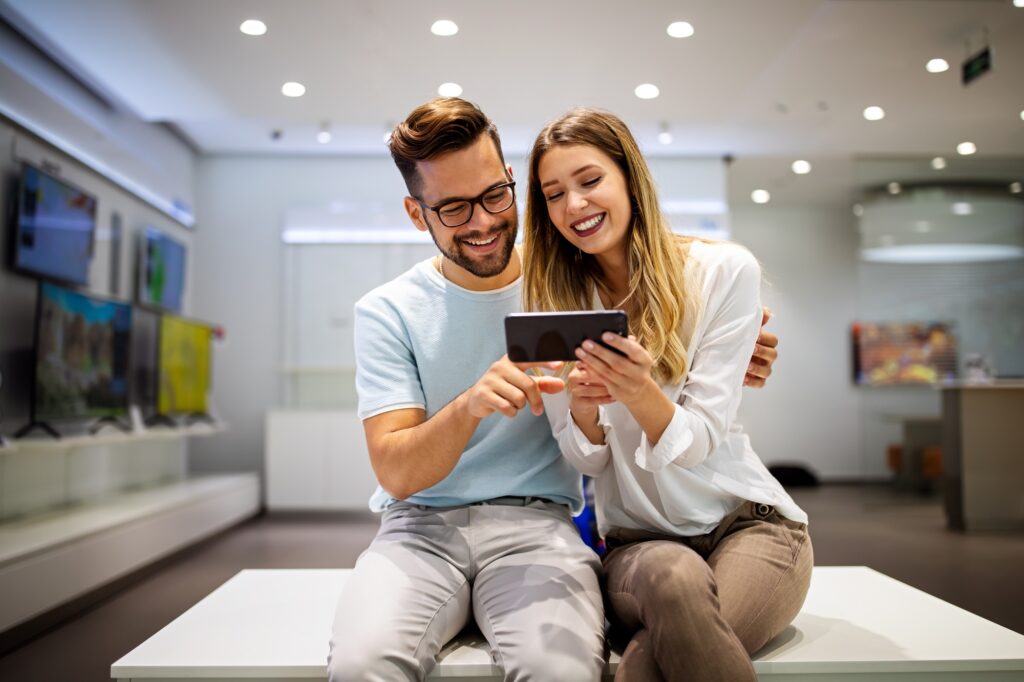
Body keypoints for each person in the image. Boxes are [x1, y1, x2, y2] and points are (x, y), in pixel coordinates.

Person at [327, 98, 780, 682]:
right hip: (418, 528)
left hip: (538, 526)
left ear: (512, 181)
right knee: (363, 665)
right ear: (418, 214)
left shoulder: (563, 283)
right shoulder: (387, 311)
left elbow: (675, 300)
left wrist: (749, 344)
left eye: (495, 195)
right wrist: (469, 405)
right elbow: (396, 473)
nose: (484, 222)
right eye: (455, 209)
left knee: (563, 670)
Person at [523, 108, 812, 682]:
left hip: (750, 526)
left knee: (654, 659)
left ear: (630, 177)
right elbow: (585, 460)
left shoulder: (720, 271)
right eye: (554, 194)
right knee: (675, 580)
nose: (574, 205)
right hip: (641, 545)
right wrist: (582, 409)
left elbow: (701, 440)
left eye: (590, 180)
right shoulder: (556, 299)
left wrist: (636, 392)